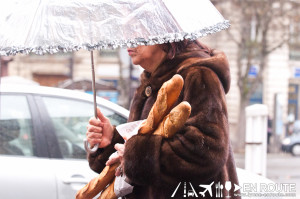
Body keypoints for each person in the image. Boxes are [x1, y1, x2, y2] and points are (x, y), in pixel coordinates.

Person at [86, 39, 240, 199]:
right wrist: (111, 141)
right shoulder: (149, 84)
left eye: (139, 31)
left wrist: (136, 156)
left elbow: (208, 151)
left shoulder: (198, 75)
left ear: (166, 38)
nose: (129, 41)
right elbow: (143, 139)